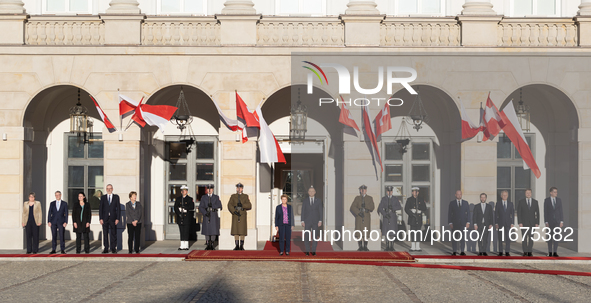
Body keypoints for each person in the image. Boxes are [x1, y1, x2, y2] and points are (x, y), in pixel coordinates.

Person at [350, 185, 375, 251]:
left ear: (366, 190)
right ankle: (360, 246)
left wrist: (366, 206)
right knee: (359, 231)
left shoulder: (369, 198)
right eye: (361, 190)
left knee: (366, 232)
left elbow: (372, 207)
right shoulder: (357, 198)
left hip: (366, 216)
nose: (362, 191)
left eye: (364, 190)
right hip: (359, 216)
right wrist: (358, 212)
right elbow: (352, 207)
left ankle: (365, 246)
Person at [228, 183, 252, 250]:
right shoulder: (233, 196)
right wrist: (233, 211)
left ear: (242, 189)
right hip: (235, 215)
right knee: (236, 230)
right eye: (238, 188)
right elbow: (229, 205)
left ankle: (241, 245)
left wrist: (242, 205)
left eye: (240, 188)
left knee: (242, 231)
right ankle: (236, 245)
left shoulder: (245, 196)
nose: (239, 189)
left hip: (242, 215)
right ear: (236, 189)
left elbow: (249, 205)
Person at [377, 186, 401, 251]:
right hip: (386, 216)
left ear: (392, 191)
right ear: (386, 191)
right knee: (387, 231)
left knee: (392, 232)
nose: (389, 192)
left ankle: (392, 246)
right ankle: (387, 246)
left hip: (392, 216)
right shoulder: (384, 199)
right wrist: (384, 214)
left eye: (390, 191)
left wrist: (393, 208)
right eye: (388, 191)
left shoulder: (395, 198)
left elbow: (399, 206)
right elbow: (380, 208)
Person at [198, 184, 222, 250]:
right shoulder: (204, 197)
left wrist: (213, 206)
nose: (209, 190)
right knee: (207, 230)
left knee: (213, 230)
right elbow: (201, 207)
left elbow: (219, 205)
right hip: (207, 214)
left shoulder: (216, 197)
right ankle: (208, 243)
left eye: (211, 189)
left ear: (213, 190)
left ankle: (212, 244)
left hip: (213, 214)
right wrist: (205, 213)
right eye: (208, 189)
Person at [99, 184, 121, 254]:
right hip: (105, 218)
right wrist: (100, 218)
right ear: (106, 189)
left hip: (113, 218)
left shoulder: (116, 197)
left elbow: (119, 209)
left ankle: (113, 248)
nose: (109, 189)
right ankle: (106, 248)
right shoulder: (103, 197)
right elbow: (100, 208)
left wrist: (118, 218)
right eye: (107, 188)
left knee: (113, 233)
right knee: (105, 234)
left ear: (112, 189)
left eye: (110, 188)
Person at [301, 185, 322, 256]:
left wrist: (320, 220)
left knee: (314, 236)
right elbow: (303, 211)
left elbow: (320, 211)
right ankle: (307, 250)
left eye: (312, 191)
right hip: (307, 221)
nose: (311, 192)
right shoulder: (305, 201)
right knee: (306, 236)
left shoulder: (318, 201)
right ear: (308, 192)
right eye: (310, 191)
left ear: (315, 192)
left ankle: (313, 251)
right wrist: (302, 221)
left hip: (315, 221)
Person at [517, 189, 539, 256]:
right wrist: (520, 222)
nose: (528, 194)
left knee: (531, 238)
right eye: (527, 193)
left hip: (532, 223)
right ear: (525, 194)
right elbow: (519, 213)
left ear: (531, 193)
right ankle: (525, 251)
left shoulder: (535, 202)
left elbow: (537, 213)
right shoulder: (521, 202)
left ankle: (530, 251)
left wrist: (537, 222)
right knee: (524, 238)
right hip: (524, 223)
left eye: (529, 193)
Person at [448, 190, 470, 256]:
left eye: (460, 194)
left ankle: (462, 251)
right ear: (455, 195)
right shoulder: (452, 203)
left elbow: (468, 213)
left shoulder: (465, 203)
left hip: (463, 223)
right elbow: (449, 213)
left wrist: (468, 222)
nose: (459, 195)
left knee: (462, 238)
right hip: (455, 223)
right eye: (458, 194)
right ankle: (454, 251)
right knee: (454, 238)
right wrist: (450, 223)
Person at [405, 187, 427, 252]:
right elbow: (406, 209)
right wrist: (411, 212)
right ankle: (413, 246)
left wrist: (419, 208)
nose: (415, 193)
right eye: (414, 191)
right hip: (412, 218)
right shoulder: (409, 199)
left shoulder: (421, 199)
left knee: (418, 232)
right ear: (412, 192)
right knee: (412, 232)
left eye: (416, 192)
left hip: (419, 217)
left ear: (418, 192)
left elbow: (424, 208)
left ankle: (417, 246)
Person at [544, 187, 563, 257]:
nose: (556, 193)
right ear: (551, 192)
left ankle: (555, 252)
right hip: (550, 222)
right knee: (550, 237)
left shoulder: (559, 200)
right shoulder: (547, 200)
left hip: (557, 221)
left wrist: (561, 221)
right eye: (554, 192)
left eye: (556, 192)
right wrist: (546, 221)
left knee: (556, 237)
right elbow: (545, 212)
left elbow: (561, 211)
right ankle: (550, 252)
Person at [174, 185, 195, 251]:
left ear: (187, 191)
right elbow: (175, 207)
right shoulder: (178, 199)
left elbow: (192, 207)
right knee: (181, 231)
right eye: (183, 191)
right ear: (181, 192)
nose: (184, 192)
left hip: (186, 217)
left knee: (186, 231)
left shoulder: (190, 199)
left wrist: (185, 208)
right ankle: (182, 245)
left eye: (185, 191)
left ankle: (186, 245)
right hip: (180, 216)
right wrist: (179, 213)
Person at [495, 190, 514, 256]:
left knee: (508, 238)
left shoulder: (510, 204)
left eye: (506, 195)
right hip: (500, 223)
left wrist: (512, 223)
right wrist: (496, 223)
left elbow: (512, 214)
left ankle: (507, 251)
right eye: (503, 195)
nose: (504, 196)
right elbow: (496, 214)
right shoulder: (498, 203)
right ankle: (500, 251)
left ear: (507, 196)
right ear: (501, 196)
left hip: (508, 223)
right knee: (500, 237)